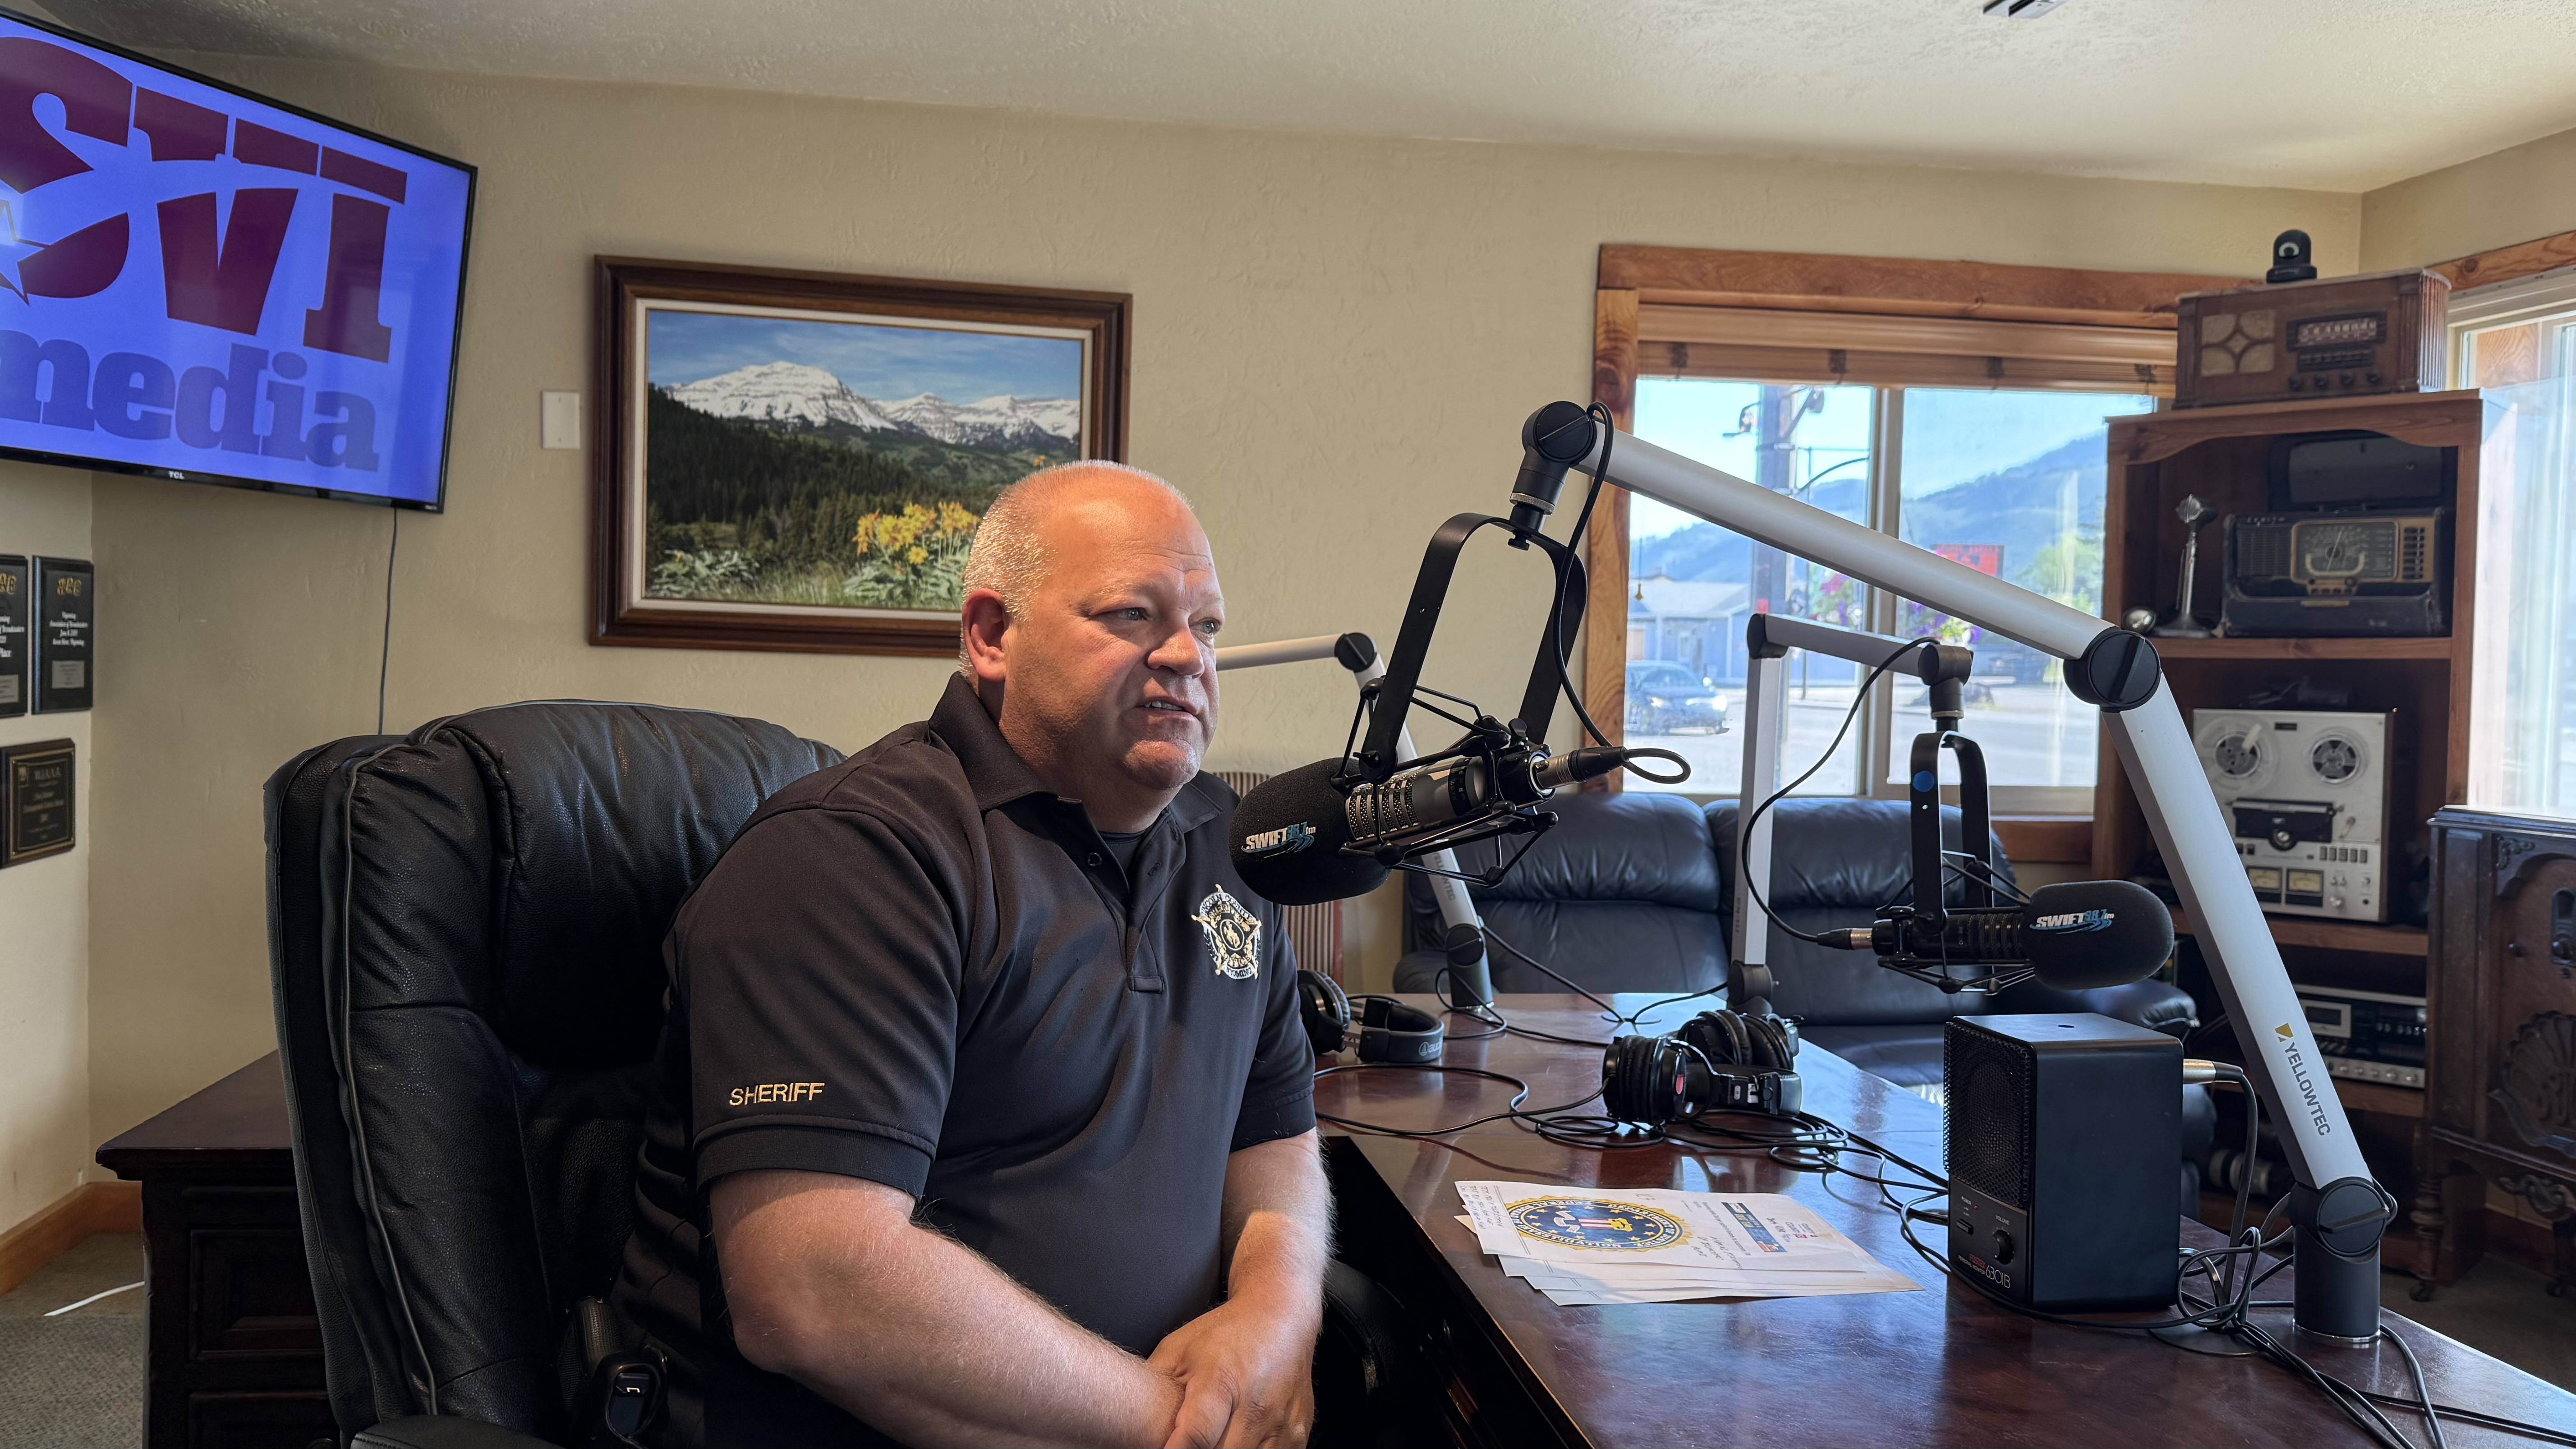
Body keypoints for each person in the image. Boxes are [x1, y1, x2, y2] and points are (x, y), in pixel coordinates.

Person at [613, 463, 1329, 1449]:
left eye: (1206, 625)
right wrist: (1178, 1425)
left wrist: (1279, 1311)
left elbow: (1274, 1134)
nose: (1186, 656)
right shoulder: (854, 855)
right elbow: (814, 1286)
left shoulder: (1231, 845)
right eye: (1133, 614)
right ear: (992, 635)